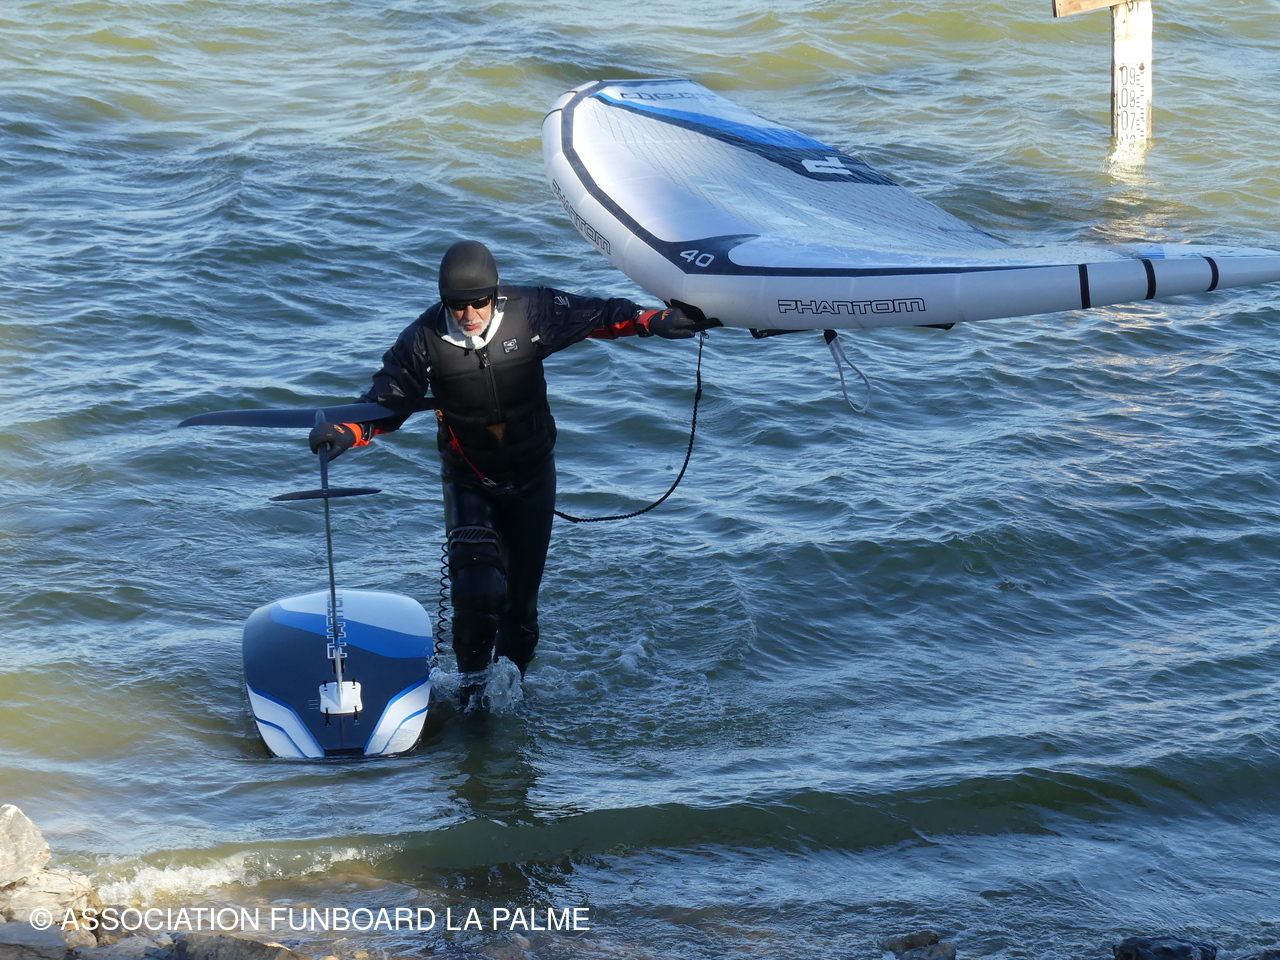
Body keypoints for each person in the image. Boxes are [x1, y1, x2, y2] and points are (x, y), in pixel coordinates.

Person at [309, 240, 711, 709]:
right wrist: (347, 430)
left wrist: (651, 320)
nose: (468, 315)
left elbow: (600, 316)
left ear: (495, 294)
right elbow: (387, 402)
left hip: (532, 477)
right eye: (456, 305)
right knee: (477, 590)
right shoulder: (422, 340)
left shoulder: (532, 310)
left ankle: (511, 694)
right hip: (469, 479)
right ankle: (470, 693)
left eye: (478, 303)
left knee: (520, 608)